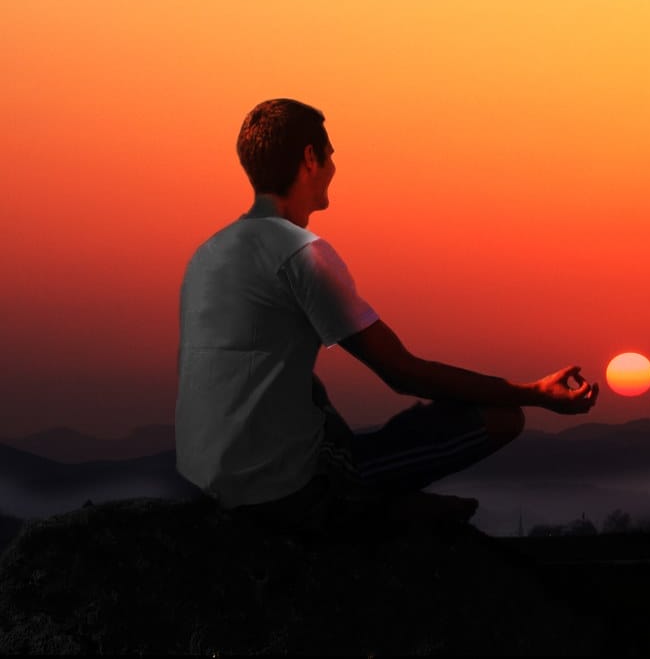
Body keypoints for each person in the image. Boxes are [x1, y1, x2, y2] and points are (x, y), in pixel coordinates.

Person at [175, 98, 598, 533]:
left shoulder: (209, 253)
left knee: (303, 381)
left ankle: (373, 502)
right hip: (282, 489)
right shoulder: (301, 254)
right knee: (502, 417)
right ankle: (370, 510)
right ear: (309, 157)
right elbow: (402, 373)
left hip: (205, 476)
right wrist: (532, 393)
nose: (335, 164)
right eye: (331, 152)